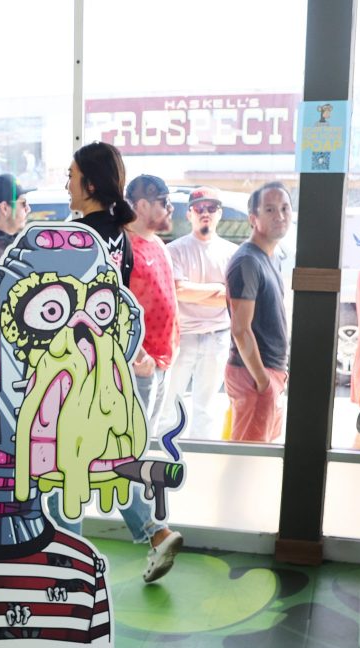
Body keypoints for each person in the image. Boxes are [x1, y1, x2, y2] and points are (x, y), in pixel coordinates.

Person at [61, 142, 182, 583]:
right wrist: (134, 352)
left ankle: (69, 565)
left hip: (80, 368)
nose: (67, 185)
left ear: (91, 184)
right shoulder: (118, 234)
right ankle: (155, 531)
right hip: (114, 365)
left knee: (67, 464)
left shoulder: (78, 237)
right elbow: (121, 305)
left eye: (72, 177)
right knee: (108, 457)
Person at [164, 186, 236, 438]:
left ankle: (200, 455)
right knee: (168, 405)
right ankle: (164, 454)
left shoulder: (232, 253)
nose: (205, 213)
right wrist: (218, 289)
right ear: (189, 214)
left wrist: (194, 291)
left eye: (212, 208)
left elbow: (232, 299)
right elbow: (178, 290)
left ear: (220, 213)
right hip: (182, 336)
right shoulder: (174, 250)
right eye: (199, 208)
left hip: (218, 336)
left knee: (206, 409)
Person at [225, 182, 292, 443]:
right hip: (254, 376)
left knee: (262, 455)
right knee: (247, 458)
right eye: (270, 209)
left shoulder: (270, 257)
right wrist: (263, 382)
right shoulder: (248, 261)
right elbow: (240, 330)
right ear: (253, 218)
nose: (280, 216)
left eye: (285, 208)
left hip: (268, 374)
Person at [125, 174, 179, 433]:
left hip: (162, 360)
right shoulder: (123, 247)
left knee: (150, 435)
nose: (170, 208)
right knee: (134, 439)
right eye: (163, 202)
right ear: (143, 205)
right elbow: (114, 306)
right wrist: (139, 355)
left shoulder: (157, 242)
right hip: (139, 363)